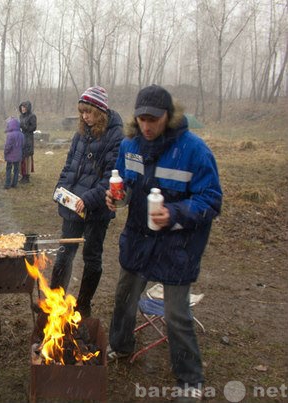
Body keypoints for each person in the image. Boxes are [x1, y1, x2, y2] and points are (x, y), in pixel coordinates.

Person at [105, 85, 222, 401]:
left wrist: (173, 214)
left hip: (177, 246)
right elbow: (127, 183)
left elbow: (211, 200)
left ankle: (189, 380)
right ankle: (120, 346)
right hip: (139, 240)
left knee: (176, 315)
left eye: (153, 119)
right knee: (124, 297)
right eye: (141, 118)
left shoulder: (194, 151)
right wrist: (119, 197)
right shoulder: (130, 145)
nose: (147, 125)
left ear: (168, 117)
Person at [49, 86, 124, 318]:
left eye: (88, 112)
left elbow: (112, 176)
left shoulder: (115, 136)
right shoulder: (81, 133)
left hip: (97, 209)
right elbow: (69, 165)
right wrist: (60, 189)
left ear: (100, 111)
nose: (84, 117)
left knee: (91, 256)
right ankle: (55, 301)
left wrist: (88, 199)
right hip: (72, 206)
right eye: (82, 112)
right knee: (64, 252)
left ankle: (83, 304)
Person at [18, 100, 37, 183]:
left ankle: (27, 176)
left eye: (24, 107)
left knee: (27, 157)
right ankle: (22, 174)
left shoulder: (32, 116)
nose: (23, 109)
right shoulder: (21, 116)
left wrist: (24, 127)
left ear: (28, 108)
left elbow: (33, 128)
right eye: (22, 107)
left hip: (29, 138)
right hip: (22, 137)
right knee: (22, 157)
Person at [3, 117, 24, 189]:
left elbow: (8, 146)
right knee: (16, 170)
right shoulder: (21, 134)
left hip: (10, 156)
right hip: (18, 155)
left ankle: (7, 184)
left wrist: (5, 153)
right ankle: (14, 184)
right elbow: (23, 144)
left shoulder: (10, 135)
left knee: (8, 169)